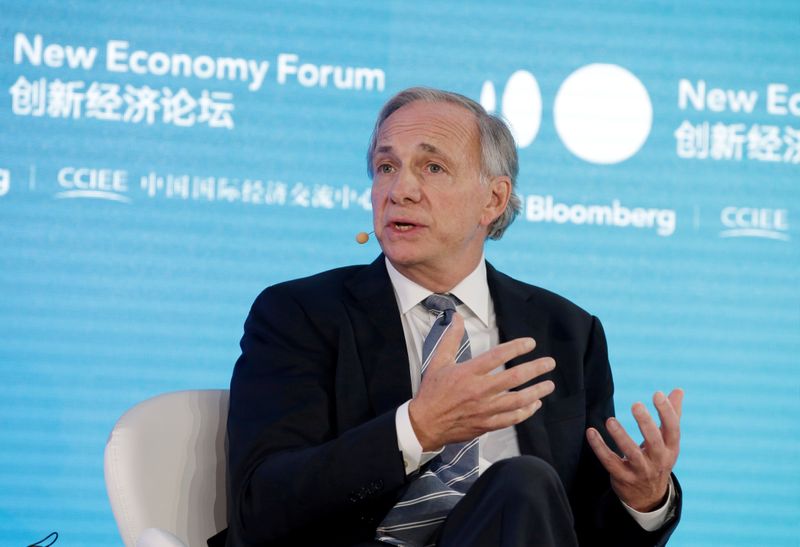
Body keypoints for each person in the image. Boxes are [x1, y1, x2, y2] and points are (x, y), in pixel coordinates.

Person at [217, 87, 683, 547]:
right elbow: (260, 506)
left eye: (433, 167)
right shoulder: (301, 314)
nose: (400, 191)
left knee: (524, 485)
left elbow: (578, 531)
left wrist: (642, 499)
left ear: (494, 200)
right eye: (386, 167)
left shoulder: (566, 333)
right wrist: (417, 428)